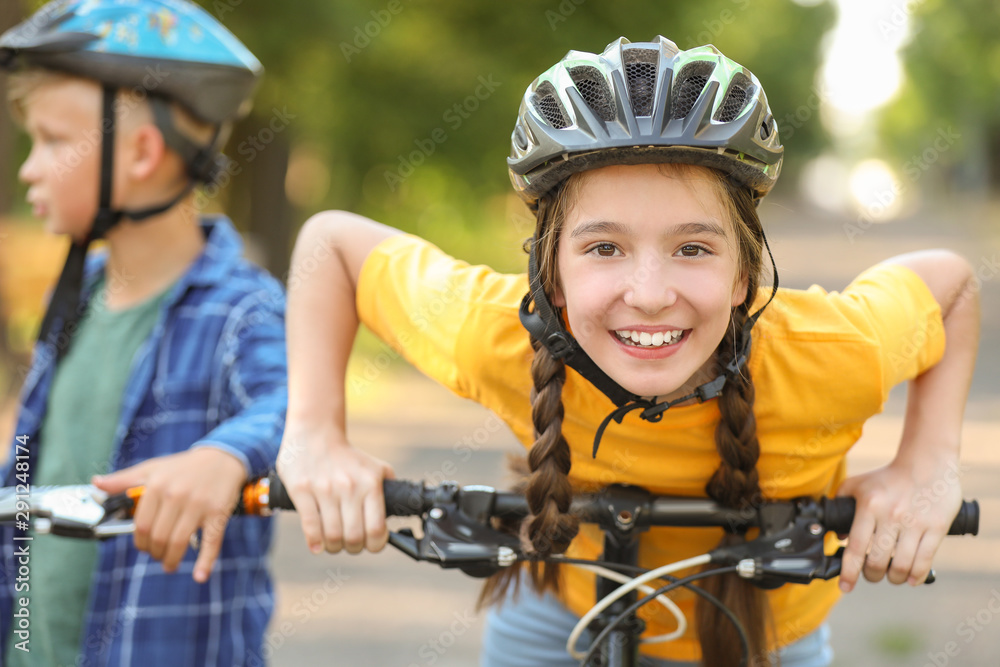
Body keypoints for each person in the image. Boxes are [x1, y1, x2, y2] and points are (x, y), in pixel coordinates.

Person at [276, 36, 979, 666]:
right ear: (552, 273)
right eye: (604, 247)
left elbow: (950, 286)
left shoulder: (829, 356)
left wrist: (927, 462)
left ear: (743, 275)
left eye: (693, 248)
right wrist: (314, 436)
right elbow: (330, 245)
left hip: (768, 630)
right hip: (563, 605)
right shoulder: (492, 334)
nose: (648, 294)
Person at [0, 1, 286, 665]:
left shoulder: (239, 308)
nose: (27, 168)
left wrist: (224, 456)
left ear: (141, 151)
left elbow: (294, 407)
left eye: (48, 139)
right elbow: (40, 462)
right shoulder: (76, 296)